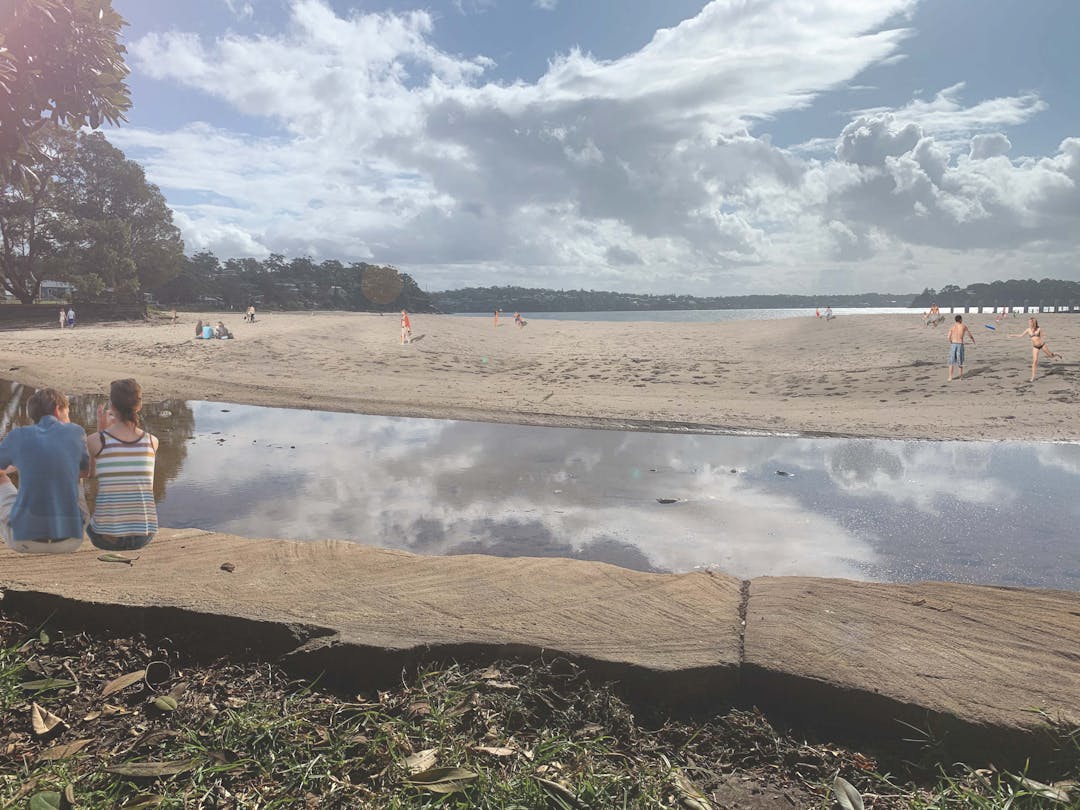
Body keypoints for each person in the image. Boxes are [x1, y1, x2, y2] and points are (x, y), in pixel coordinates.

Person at [0, 388, 89, 553]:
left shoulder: (19, 435)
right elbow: (84, 472)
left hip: (23, 542)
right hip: (71, 541)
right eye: (67, 413)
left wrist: (23, 464)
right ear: (57, 410)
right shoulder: (75, 433)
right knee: (74, 472)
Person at [85, 379, 158, 551]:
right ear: (139, 406)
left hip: (105, 538)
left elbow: (91, 474)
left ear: (113, 406)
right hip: (144, 536)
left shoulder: (96, 440)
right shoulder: (152, 441)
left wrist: (100, 431)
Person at [1010, 317, 1063, 382]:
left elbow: (1042, 336)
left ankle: (1057, 354)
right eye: (1029, 322)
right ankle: (1033, 377)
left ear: (1033, 323)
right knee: (1035, 361)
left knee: (1051, 356)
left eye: (1030, 322)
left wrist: (1042, 335)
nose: (1029, 323)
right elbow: (1021, 335)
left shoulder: (1039, 329)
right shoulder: (1028, 330)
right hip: (1035, 347)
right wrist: (1012, 335)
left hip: (1042, 345)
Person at [947, 314, 975, 381]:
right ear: (960, 320)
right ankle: (960, 377)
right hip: (960, 344)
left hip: (953, 344)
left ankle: (950, 377)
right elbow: (969, 335)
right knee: (960, 361)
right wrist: (973, 339)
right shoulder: (963, 326)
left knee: (951, 362)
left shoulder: (952, 327)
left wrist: (951, 342)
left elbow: (948, 337)